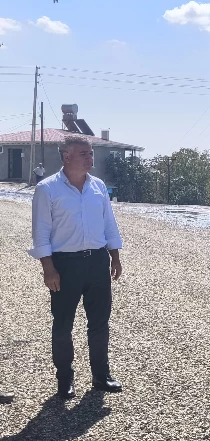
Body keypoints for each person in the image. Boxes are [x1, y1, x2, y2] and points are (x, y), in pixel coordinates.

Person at [28, 135, 124, 399]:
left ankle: (101, 376)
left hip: (96, 262)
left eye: (90, 153)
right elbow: (41, 232)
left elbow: (108, 224)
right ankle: (65, 379)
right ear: (67, 156)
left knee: (99, 323)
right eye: (84, 153)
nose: (90, 158)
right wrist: (48, 268)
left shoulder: (98, 187)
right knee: (62, 324)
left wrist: (114, 256)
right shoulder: (47, 189)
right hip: (65, 265)